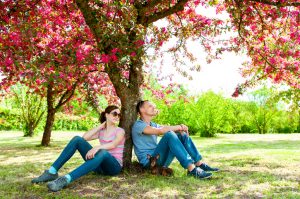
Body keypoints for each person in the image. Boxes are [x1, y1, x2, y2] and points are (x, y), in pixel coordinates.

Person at [32, 105, 125, 191]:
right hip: (98, 167)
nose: (117, 116)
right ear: (106, 115)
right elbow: (85, 138)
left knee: (103, 152)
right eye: (114, 113)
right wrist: (100, 126)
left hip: (113, 167)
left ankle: (66, 179)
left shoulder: (120, 131)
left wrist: (97, 148)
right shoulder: (101, 131)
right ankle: (51, 172)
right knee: (77, 139)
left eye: (119, 114)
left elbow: (113, 145)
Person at [132, 100, 219, 179]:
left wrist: (181, 128)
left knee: (182, 135)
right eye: (150, 106)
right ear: (142, 109)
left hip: (159, 159)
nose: (154, 107)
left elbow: (165, 127)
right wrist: (179, 127)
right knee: (170, 135)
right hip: (150, 163)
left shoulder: (153, 124)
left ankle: (199, 164)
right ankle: (192, 170)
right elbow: (161, 131)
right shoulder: (138, 125)